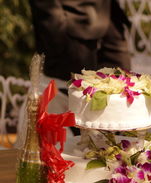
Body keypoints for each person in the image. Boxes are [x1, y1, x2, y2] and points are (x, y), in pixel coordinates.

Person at [28, 0, 131, 135]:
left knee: (119, 103)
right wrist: (58, 31)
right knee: (75, 120)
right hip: (68, 30)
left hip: (108, 18)